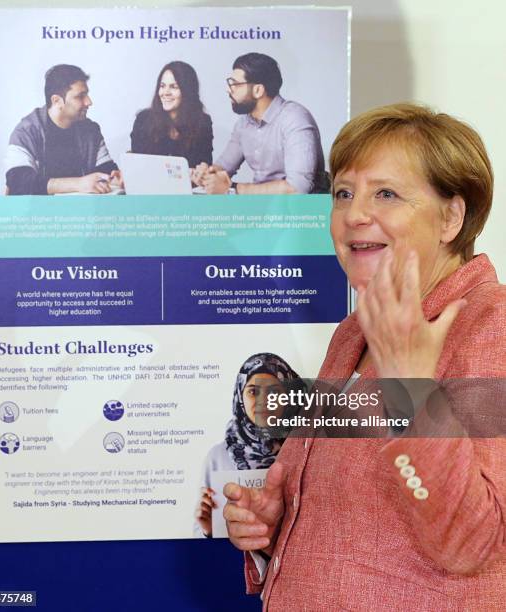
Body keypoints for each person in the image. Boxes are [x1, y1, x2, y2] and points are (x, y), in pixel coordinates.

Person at [223, 104, 506, 610]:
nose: (354, 214)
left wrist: (410, 389)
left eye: (387, 194)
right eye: (344, 193)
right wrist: (275, 523)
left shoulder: (492, 328)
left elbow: (471, 545)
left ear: (451, 216)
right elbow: (356, 510)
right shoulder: (352, 333)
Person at [194, 353, 302, 538]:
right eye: (253, 391)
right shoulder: (218, 456)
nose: (263, 401)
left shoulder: (306, 448)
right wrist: (208, 529)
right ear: (240, 396)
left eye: (274, 392)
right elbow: (201, 536)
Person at [192, 52, 329, 195]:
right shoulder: (243, 124)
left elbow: (297, 189)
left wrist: (233, 188)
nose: (229, 89)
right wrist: (208, 174)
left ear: (258, 90)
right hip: (264, 209)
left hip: (302, 212)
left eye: (235, 84)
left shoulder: (295, 119)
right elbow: (224, 166)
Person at [5, 64, 121, 195]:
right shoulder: (26, 132)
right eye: (80, 96)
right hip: (39, 213)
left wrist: (115, 178)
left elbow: (106, 171)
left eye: (87, 94)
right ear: (57, 101)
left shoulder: (91, 131)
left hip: (82, 212)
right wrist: (79, 184)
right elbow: (18, 182)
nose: (89, 102)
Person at [130, 61, 213, 169]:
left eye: (174, 87)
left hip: (187, 185)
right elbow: (138, 165)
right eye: (162, 86)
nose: (166, 92)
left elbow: (204, 162)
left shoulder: (202, 122)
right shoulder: (143, 120)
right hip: (150, 184)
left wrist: (202, 169)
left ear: (187, 91)